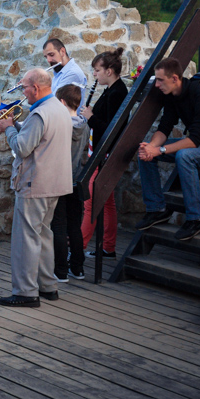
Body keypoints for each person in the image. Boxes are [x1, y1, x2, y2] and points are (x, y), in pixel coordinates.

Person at [136, 58, 200, 241]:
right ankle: (157, 209)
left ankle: (196, 218)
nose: (157, 85)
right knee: (145, 151)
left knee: (184, 156)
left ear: (175, 78)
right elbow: (164, 128)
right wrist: (151, 148)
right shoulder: (172, 96)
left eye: (160, 80)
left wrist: (160, 150)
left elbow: (193, 141)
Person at [0, 68, 72, 307]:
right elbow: (39, 140)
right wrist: (17, 125)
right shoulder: (59, 108)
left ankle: (26, 292)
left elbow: (21, 148)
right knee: (44, 234)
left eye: (24, 87)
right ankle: (48, 286)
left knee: (26, 238)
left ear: (35, 88)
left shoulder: (39, 113)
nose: (23, 93)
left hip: (35, 183)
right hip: (55, 183)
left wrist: (7, 128)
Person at [79, 48, 129, 258]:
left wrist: (90, 116)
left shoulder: (117, 93)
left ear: (109, 71)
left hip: (104, 155)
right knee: (107, 202)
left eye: (97, 70)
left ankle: (77, 249)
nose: (94, 74)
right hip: (102, 154)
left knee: (90, 201)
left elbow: (109, 129)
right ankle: (108, 247)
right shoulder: (113, 90)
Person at [50, 84, 88, 282]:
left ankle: (60, 270)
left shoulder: (62, 125)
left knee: (59, 226)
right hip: (77, 180)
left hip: (60, 179)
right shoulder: (85, 124)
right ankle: (78, 268)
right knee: (75, 225)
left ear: (62, 102)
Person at [43, 38, 88, 109]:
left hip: (69, 119)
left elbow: (54, 101)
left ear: (62, 51)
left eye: (51, 55)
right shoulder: (59, 72)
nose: (48, 60)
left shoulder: (73, 73)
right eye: (46, 57)